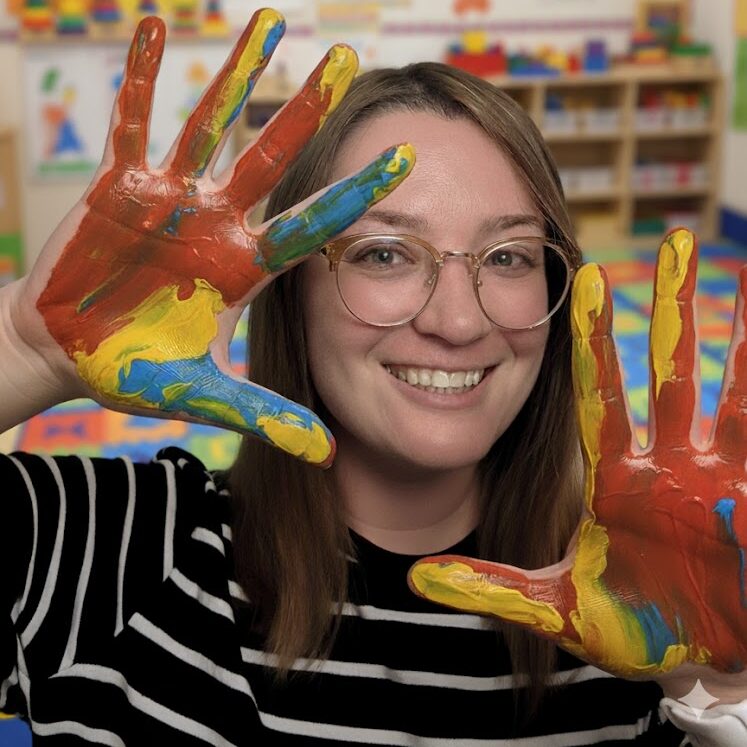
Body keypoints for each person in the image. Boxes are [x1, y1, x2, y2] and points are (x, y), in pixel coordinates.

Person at [1, 6, 746, 745]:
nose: (459, 322)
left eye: (509, 256)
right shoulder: (108, 553)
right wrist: (22, 348)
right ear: (290, 291)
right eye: (384, 253)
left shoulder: (649, 612)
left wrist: (721, 696)